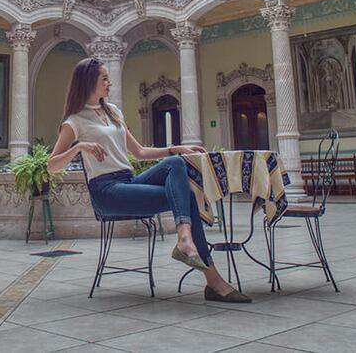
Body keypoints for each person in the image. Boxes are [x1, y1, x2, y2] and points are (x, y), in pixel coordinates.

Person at [47, 57, 251, 303]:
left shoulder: (113, 113)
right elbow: (52, 165)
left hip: (128, 180)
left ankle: (186, 241)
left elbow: (139, 152)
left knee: (176, 164)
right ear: (89, 82)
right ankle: (212, 279)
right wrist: (79, 147)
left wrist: (176, 148)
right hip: (107, 192)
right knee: (184, 197)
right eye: (104, 78)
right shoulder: (75, 121)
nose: (109, 83)